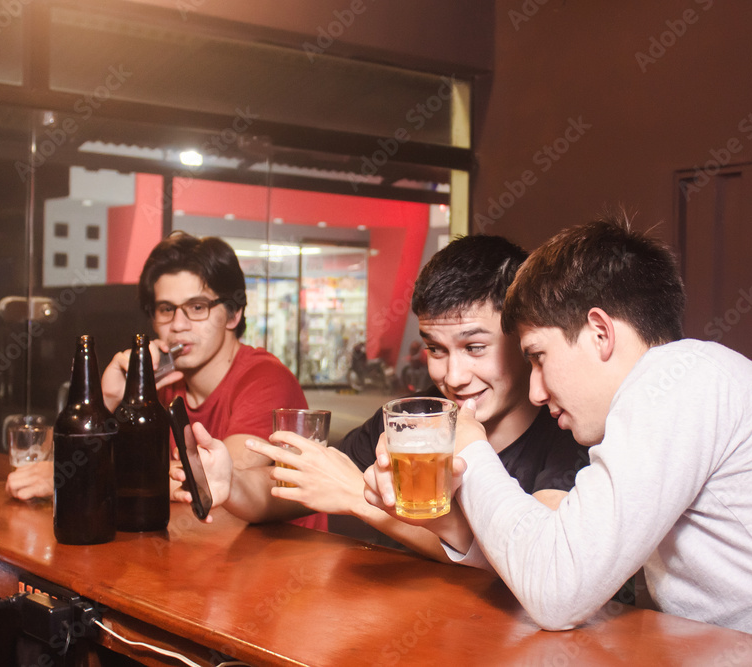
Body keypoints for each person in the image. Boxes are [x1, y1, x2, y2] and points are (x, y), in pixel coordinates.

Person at [363, 213, 752, 666]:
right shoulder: (658, 403)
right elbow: (562, 552)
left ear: (598, 331)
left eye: (539, 357)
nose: (536, 391)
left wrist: (468, 446)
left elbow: (557, 595)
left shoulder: (681, 379)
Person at [192, 234, 589, 562]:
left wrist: (358, 499)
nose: (452, 376)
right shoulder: (414, 417)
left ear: (521, 336)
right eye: (436, 350)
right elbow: (301, 485)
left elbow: (539, 563)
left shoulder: (566, 428)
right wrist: (232, 485)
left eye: (474, 348)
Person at [6, 232, 326, 532]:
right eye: (166, 309)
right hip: (192, 549)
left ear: (233, 315)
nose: (178, 325)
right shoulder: (159, 383)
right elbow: (54, 457)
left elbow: (209, 483)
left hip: (275, 566)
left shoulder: (265, 379)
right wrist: (106, 400)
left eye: (197, 307)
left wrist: (82, 473)